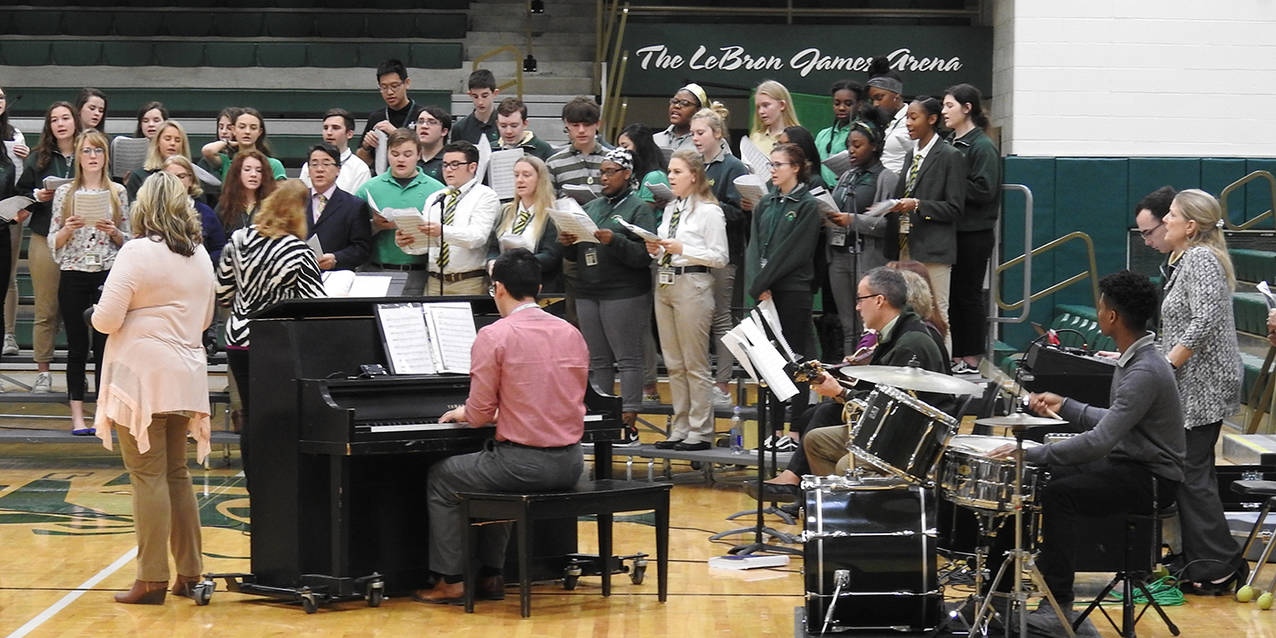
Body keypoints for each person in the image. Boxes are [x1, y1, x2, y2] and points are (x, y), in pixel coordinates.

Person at [985, 269, 1185, 636]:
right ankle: (996, 591)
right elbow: (1116, 420)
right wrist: (1065, 405)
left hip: (1154, 479)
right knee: (1045, 480)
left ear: (1113, 316)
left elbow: (1099, 441)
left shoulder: (1144, 370)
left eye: (1101, 306)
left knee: (1059, 494)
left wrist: (1031, 453)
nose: (1098, 312)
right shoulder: (1137, 359)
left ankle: (1057, 604)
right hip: (1132, 465)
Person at [414, 248, 589, 604]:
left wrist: (463, 412)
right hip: (572, 462)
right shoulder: (571, 332)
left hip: (523, 466)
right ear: (538, 288)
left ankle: (451, 580)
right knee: (498, 468)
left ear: (498, 288)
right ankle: (492, 575)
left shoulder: (495, 335)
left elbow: (479, 415)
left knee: (443, 477)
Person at [90, 171, 216, 605]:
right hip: (185, 373)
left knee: (147, 475)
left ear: (143, 208)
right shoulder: (200, 254)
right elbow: (204, 320)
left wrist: (114, 314)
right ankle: (190, 574)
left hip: (142, 377)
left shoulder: (137, 250)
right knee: (177, 473)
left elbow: (106, 319)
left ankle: (151, 579)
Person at [748, 266, 950, 500]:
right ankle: (825, 507)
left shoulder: (910, 343)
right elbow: (879, 395)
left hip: (908, 442)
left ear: (879, 301)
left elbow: (892, 413)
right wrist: (838, 388)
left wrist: (841, 392)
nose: (857, 307)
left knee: (845, 463)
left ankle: (849, 511)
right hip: (891, 432)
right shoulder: (895, 333)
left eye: (861, 299)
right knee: (815, 439)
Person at [1158, 189, 1246, 593]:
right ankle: (1201, 558)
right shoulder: (1188, 260)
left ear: (1191, 226)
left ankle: (1219, 566)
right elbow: (1183, 324)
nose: (1166, 220)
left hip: (1204, 383)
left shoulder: (1200, 258)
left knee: (1192, 473)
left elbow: (1205, 320)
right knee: (1191, 471)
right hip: (1193, 380)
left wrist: (1167, 365)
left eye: (1172, 215)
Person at [216, 179, 326, 482]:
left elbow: (222, 292)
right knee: (281, 417)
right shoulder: (297, 250)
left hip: (238, 339)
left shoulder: (239, 238)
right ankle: (278, 485)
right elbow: (315, 304)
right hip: (276, 342)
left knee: (251, 415)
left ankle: (255, 484)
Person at [558, 148, 655, 433]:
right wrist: (568, 243)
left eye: (610, 171)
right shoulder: (592, 207)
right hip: (588, 291)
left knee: (627, 358)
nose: (604, 177)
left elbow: (644, 256)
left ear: (627, 173)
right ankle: (602, 417)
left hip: (624, 292)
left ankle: (628, 418)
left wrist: (615, 241)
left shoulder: (639, 208)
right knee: (598, 359)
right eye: (601, 172)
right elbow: (575, 255)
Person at [49, 129, 130, 434]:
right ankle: (77, 416)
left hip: (107, 272)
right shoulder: (65, 193)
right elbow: (53, 241)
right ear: (78, 156)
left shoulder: (118, 192)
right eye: (86, 151)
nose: (93, 156)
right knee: (77, 346)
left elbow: (130, 239)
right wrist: (68, 229)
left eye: (98, 151)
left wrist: (114, 232)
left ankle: (103, 413)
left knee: (105, 345)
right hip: (74, 271)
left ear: (106, 156)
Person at [647, 150, 727, 450]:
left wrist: (683, 249)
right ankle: (680, 427)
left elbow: (720, 257)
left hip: (693, 282)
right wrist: (656, 249)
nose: (670, 176)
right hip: (665, 281)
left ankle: (700, 430)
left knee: (694, 362)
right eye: (670, 171)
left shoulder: (709, 211)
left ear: (694, 175)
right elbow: (665, 246)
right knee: (673, 362)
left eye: (677, 172)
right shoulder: (672, 208)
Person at [744, 142, 822, 434]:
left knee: (795, 358)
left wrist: (763, 281)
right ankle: (775, 429)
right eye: (771, 164)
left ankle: (795, 428)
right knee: (770, 361)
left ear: (796, 168)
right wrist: (757, 284)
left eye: (779, 165)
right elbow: (754, 247)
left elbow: (794, 252)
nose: (773, 170)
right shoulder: (766, 202)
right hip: (765, 291)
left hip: (792, 290)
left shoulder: (807, 205)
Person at [887, 96, 966, 354]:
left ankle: (941, 370)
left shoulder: (950, 155)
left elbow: (955, 208)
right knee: (906, 312)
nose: (908, 123)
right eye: (906, 118)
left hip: (933, 248)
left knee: (937, 313)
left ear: (932, 119)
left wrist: (919, 205)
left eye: (914, 117)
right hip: (905, 244)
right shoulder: (911, 154)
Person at [15, 101, 79, 393]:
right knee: (46, 308)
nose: (60, 124)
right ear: (49, 126)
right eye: (54, 120)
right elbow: (20, 195)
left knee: (79, 309)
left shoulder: (89, 152)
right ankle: (43, 371)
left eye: (65, 118)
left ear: (75, 121)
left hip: (81, 239)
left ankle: (80, 369)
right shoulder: (38, 158)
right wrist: (37, 195)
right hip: (44, 235)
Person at [690, 106, 749, 405]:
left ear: (717, 133)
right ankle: (701, 379)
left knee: (721, 316)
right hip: (695, 251)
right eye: (693, 134)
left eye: (700, 133)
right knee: (698, 316)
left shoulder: (733, 167)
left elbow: (739, 213)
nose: (695, 138)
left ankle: (723, 383)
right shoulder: (695, 165)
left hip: (724, 251)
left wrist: (706, 201)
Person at [826, 111, 899, 351]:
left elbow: (888, 225)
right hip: (838, 254)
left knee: (866, 323)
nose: (851, 150)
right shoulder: (846, 175)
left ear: (874, 146)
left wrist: (853, 220)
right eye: (849, 145)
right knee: (847, 324)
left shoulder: (886, 178)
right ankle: (849, 368)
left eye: (857, 145)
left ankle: (867, 367)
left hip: (866, 256)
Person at [943, 84, 1002, 373]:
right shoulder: (949, 142)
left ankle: (971, 356)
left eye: (949, 106)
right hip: (952, 231)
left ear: (967, 108)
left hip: (974, 232)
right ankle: (955, 353)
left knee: (968, 294)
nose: (944, 111)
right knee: (952, 295)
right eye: (943, 106)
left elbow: (985, 190)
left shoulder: (982, 146)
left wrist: (949, 183)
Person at [396, 141, 500, 294]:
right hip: (434, 281)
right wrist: (408, 242)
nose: (448, 170)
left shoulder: (485, 196)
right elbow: (428, 245)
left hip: (468, 281)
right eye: (445, 165)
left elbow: (477, 237)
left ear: (472, 167)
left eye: (455, 164)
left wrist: (442, 231)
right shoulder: (436, 198)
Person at [356, 128, 445, 295]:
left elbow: (446, 234)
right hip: (375, 271)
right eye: (395, 154)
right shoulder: (369, 188)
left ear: (419, 155)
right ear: (387, 154)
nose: (400, 159)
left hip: (419, 273)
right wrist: (375, 226)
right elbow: (352, 233)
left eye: (407, 154)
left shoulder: (437, 190)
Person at [486, 156, 561, 288]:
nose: (519, 180)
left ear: (540, 179)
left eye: (526, 175)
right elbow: (493, 247)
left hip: (536, 284)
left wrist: (518, 265)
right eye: (516, 175)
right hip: (504, 284)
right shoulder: (505, 210)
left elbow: (551, 256)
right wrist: (492, 262)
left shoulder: (552, 213)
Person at [304, 143, 371, 271]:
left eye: (326, 164)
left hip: (337, 275)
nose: (319, 169)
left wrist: (336, 258)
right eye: (314, 164)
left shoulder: (354, 206)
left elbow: (362, 249)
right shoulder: (295, 202)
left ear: (338, 170)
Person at [0, 86, 29, 358]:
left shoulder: (14, 134)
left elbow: (21, 177)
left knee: (8, 275)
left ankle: (9, 334)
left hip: (8, 214)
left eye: (0, 96)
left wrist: (25, 157)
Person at [357, 59, 427, 171]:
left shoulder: (422, 115)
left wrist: (395, 133)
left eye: (394, 86)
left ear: (407, 83)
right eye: (384, 87)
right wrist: (366, 147)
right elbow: (362, 161)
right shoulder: (376, 117)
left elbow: (427, 154)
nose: (389, 92)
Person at [162, 155, 225, 264]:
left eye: (181, 176)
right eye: (171, 177)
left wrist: (203, 263)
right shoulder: (155, 212)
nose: (176, 181)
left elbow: (219, 248)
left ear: (191, 180)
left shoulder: (206, 213)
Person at [200, 108, 287, 183]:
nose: (247, 132)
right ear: (234, 130)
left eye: (253, 128)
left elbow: (282, 195)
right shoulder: (226, 161)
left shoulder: (273, 164)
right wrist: (229, 142)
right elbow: (207, 151)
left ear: (259, 132)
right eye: (242, 127)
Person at [546, 96, 609, 198]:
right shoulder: (553, 163)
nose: (581, 130)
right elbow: (549, 201)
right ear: (567, 125)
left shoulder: (612, 159)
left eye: (587, 125)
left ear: (598, 124)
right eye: (575, 125)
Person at [299, 108, 372, 194]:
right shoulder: (310, 165)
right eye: (326, 128)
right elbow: (301, 197)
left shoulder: (360, 169)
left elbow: (358, 201)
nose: (329, 132)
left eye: (335, 128)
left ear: (349, 134)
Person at [214, 150, 277, 236]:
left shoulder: (273, 206)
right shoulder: (225, 206)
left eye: (259, 171)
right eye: (247, 170)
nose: (253, 174)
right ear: (237, 174)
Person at [865, 57, 910, 174]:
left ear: (896, 96)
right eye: (872, 100)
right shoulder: (876, 122)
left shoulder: (912, 120)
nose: (875, 104)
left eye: (879, 98)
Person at [125, 119, 191, 199]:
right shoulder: (138, 176)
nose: (172, 143)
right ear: (157, 142)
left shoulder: (191, 175)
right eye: (167, 139)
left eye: (177, 140)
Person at [813, 79, 862, 186]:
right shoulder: (823, 134)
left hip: (848, 190)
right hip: (821, 190)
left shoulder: (862, 135)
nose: (841, 108)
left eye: (848, 104)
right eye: (837, 103)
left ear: (859, 105)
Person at [617, 124, 670, 208]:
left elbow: (644, 212)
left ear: (640, 145)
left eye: (625, 146)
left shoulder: (655, 176)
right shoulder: (632, 173)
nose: (620, 151)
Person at [653, 83, 710, 155]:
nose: (676, 106)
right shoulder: (654, 139)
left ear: (698, 110)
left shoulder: (707, 142)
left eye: (685, 103)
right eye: (674, 101)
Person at [1134, 185, 1178, 276]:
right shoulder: (1169, 264)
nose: (1147, 242)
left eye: (1148, 233)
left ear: (1168, 222)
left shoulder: (1199, 260)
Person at [748, 80, 800, 155]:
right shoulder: (756, 137)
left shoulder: (797, 138)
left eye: (766, 105)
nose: (761, 111)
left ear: (782, 105)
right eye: (758, 107)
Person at [451, 69, 500, 146]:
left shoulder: (505, 125)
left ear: (495, 93)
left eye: (484, 96)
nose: (480, 102)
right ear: (470, 94)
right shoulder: (460, 128)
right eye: (475, 96)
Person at [416, 105, 452, 183]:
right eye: (420, 122)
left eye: (432, 122)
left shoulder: (450, 161)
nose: (424, 126)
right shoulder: (409, 158)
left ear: (444, 131)